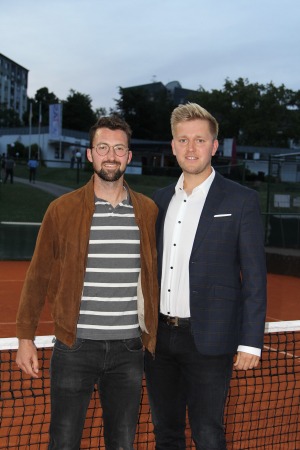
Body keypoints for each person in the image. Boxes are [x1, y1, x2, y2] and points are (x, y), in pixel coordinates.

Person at [16, 116, 159, 450]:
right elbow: (37, 276)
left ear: (129, 155)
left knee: (122, 443)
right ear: (89, 154)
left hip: (129, 349)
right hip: (74, 346)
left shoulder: (149, 211)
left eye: (119, 148)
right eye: (103, 147)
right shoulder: (61, 210)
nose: (111, 155)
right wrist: (25, 337)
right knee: (63, 442)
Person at [144, 102, 267, 450]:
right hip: (159, 341)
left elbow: (255, 277)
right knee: (166, 434)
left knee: (208, 435)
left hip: (210, 341)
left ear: (214, 146)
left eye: (200, 140)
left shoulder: (242, 200)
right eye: (183, 140)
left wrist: (250, 341)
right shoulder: (158, 200)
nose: (191, 148)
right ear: (173, 146)